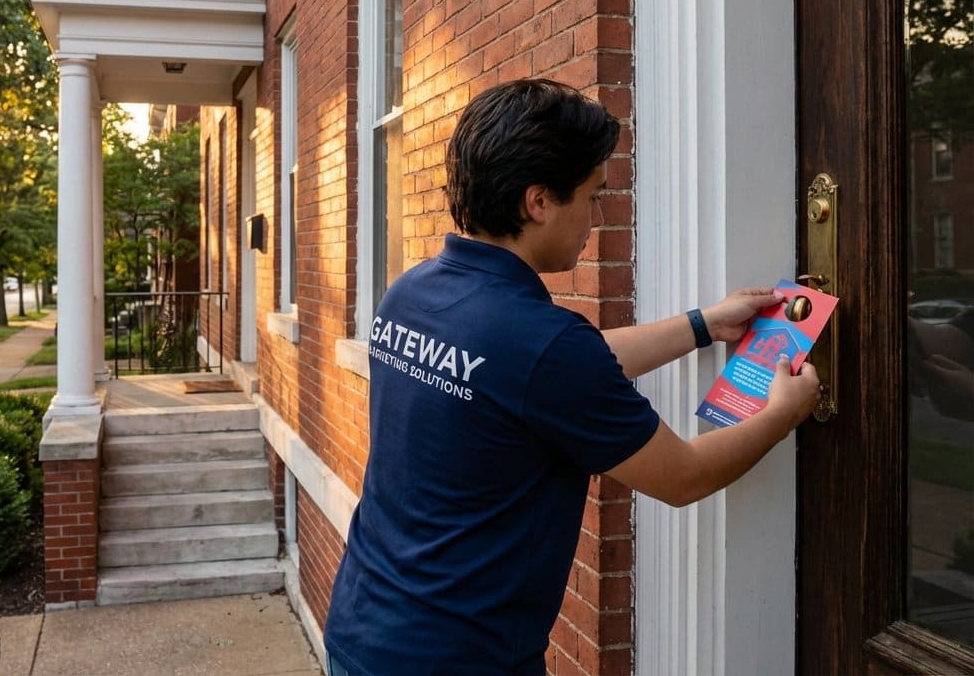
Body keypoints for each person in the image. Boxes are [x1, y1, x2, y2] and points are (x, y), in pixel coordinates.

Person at [322, 78, 822, 676]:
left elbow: (537, 378)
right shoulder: (541, 344)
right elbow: (682, 477)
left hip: (359, 629)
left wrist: (702, 324)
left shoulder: (412, 293)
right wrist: (781, 414)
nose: (597, 215)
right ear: (538, 202)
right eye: (591, 196)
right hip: (457, 659)